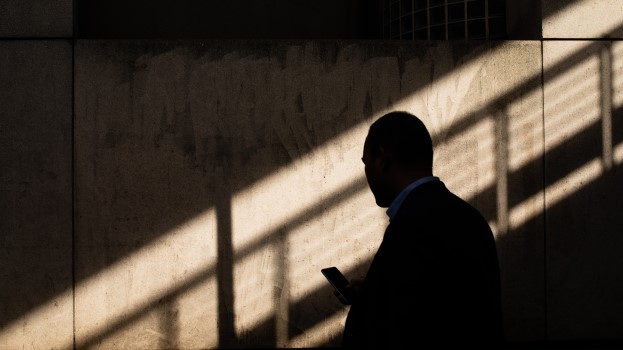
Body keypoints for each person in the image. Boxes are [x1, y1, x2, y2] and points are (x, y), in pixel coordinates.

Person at [338, 111, 504, 348]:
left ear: (381, 160)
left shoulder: (410, 226)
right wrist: (375, 290)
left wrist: (370, 303)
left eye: (366, 163)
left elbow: (399, 327)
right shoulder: (470, 218)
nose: (366, 174)